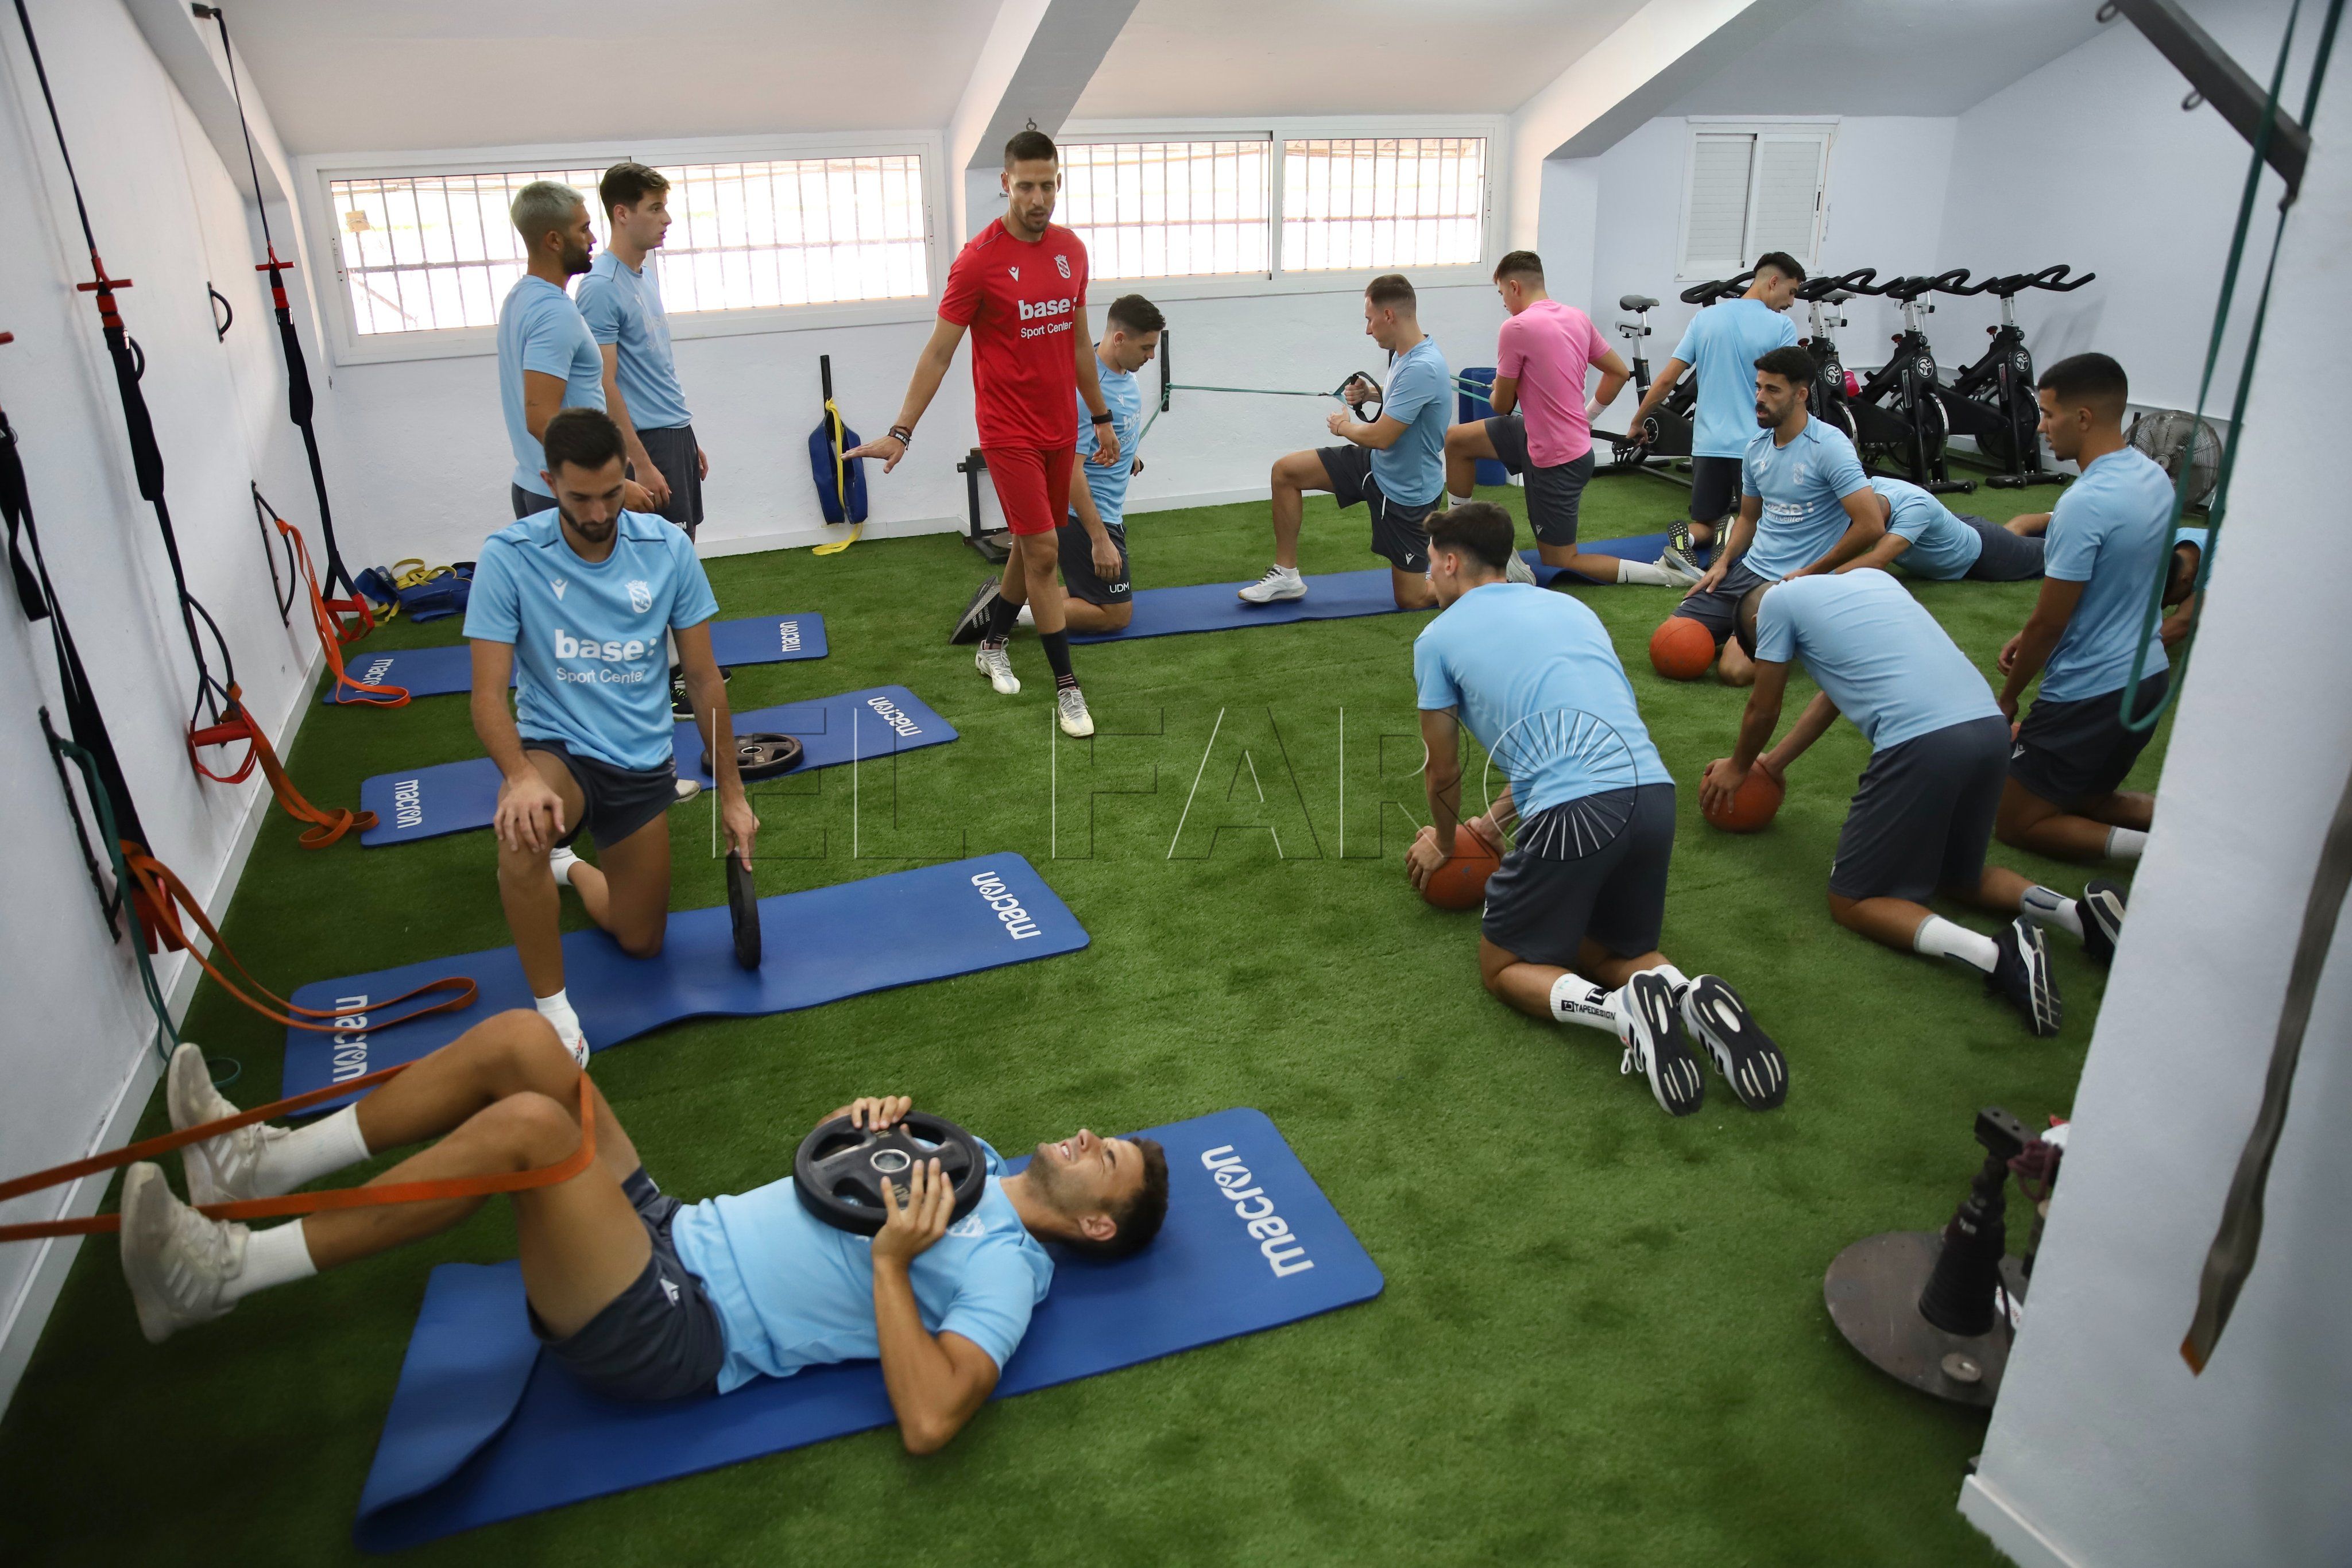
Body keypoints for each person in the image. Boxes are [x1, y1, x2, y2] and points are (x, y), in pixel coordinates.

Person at [118, 1020, 1169, 1453]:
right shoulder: (970, 1150)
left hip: (683, 1332)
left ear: (1091, 1221)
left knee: (532, 1134)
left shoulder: (1009, 1275)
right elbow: (833, 1191)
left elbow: (933, 1418)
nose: (1086, 1134)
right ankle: (256, 1168)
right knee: (528, 1046)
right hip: (672, 1229)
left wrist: (892, 1267)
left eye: (1104, 1156)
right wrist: (858, 1133)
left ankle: (223, 1275)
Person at [1407, 503, 1785, 1116]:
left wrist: (1447, 842)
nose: (1427, 576)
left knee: (1503, 965)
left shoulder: (1437, 639)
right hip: (1651, 794)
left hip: (1573, 816)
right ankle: (1686, 995)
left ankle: (1620, 1013)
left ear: (1451, 563)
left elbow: (1442, 768)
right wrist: (1494, 823)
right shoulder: (1571, 609)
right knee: (1611, 951)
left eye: (1429, 563)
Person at [1703, 574, 2125, 1039]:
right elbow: (1833, 696)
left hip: (1924, 743)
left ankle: (1997, 955)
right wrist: (1774, 763)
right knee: (1960, 877)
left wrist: (1739, 767)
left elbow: (1764, 706)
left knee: (1852, 900)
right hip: (1987, 729)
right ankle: (2076, 916)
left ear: (1762, 625)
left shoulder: (1777, 605)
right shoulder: (1869, 581)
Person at [466, 409, 758, 1063]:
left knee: (641, 940)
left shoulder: (665, 549)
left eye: (608, 494)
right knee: (520, 832)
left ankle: (568, 868)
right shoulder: (508, 557)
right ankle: (553, 1012)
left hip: (639, 762)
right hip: (556, 750)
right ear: (549, 482)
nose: (598, 513)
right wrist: (517, 777)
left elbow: (706, 681)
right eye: (578, 498)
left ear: (623, 475)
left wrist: (732, 794)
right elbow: (487, 695)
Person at [848, 130, 1117, 739]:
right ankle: (1068, 690)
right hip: (1008, 429)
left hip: (1057, 427)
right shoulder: (978, 260)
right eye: (1025, 186)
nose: (1038, 197)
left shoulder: (1071, 251)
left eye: (1047, 184)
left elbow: (1078, 342)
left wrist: (1098, 416)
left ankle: (993, 642)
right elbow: (940, 352)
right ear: (1005, 184)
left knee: (1030, 543)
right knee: (1045, 551)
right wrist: (901, 430)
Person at [1994, 354, 2175, 865]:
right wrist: (2031, 636)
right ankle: (2196, 828)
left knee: (2014, 821)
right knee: (2090, 800)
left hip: (2092, 692)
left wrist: (2008, 699)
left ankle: (2163, 856)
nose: (2042, 427)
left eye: (2049, 414)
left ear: (2084, 418)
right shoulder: (2152, 476)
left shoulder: (2084, 502)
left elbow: (2049, 622)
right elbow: (2121, 579)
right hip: (2149, 678)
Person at [577, 161, 727, 719]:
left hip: (672, 435)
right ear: (621, 213)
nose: (667, 220)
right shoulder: (600, 289)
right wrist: (638, 463)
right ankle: (659, 679)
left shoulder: (641, 277)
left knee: (678, 555)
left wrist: (688, 439)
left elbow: (652, 372)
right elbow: (604, 384)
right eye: (655, 209)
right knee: (654, 566)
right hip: (646, 447)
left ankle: (680, 666)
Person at [1441, 251, 1672, 586]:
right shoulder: (1576, 317)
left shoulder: (1515, 328)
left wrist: (1501, 388)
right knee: (1457, 441)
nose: (1504, 303)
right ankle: (1461, 536)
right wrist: (1586, 416)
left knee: (1560, 559)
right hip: (1538, 434)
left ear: (1515, 286)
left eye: (1502, 294)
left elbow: (1502, 405)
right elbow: (1619, 372)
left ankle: (1662, 574)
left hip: (1557, 459)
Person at [1669, 344, 1882, 686]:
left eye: (1772, 390)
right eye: (1758, 387)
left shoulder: (1829, 446)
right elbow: (1749, 520)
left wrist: (1811, 573)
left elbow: (1871, 525)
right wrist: (1722, 563)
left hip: (1794, 582)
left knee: (1734, 671)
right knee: (1673, 641)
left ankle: (1795, 630)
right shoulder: (1756, 447)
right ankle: (1744, 628)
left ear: (1800, 395)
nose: (1759, 397)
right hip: (1750, 570)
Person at [954, 294, 1163, 640]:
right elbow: (1069, 470)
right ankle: (1001, 617)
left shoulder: (1117, 367)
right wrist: (1099, 539)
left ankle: (1005, 604)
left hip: (1101, 507)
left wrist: (1128, 455)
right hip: (1085, 515)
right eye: (1146, 347)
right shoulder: (1088, 393)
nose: (1152, 356)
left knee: (1082, 592)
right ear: (1120, 339)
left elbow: (1108, 431)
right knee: (1114, 614)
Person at [1239, 274, 1450, 611]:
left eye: (1369, 319)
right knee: (1286, 472)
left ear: (1389, 316)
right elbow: (1405, 400)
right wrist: (1371, 393)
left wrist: (1342, 427)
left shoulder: (1423, 365)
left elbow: (1381, 437)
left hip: (1408, 492)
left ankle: (1476, 581)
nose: (1368, 330)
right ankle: (1286, 575)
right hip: (1376, 466)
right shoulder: (1405, 354)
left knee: (1411, 599)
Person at [1621, 252, 1805, 579]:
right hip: (1757, 444)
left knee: (1705, 521)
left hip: (1708, 443)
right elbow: (1787, 392)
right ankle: (1731, 538)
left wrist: (1637, 422)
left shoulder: (1705, 320)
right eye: (1791, 292)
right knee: (1764, 525)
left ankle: (1689, 537)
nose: (1791, 303)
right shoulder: (1781, 326)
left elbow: (1666, 381)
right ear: (1773, 282)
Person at [497, 180, 651, 521]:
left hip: (536, 487)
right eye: (583, 230)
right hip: (570, 497)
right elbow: (540, 418)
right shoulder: (555, 313)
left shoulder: (520, 298)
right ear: (554, 240)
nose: (593, 239)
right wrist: (611, 484)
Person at [1833, 477, 2047, 582]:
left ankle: (2065, 520)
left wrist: (1816, 575)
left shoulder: (1913, 510)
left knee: (2053, 552)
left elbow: (1877, 560)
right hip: (1957, 529)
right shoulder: (1867, 491)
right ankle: (2051, 517)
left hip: (1984, 556)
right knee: (2012, 536)